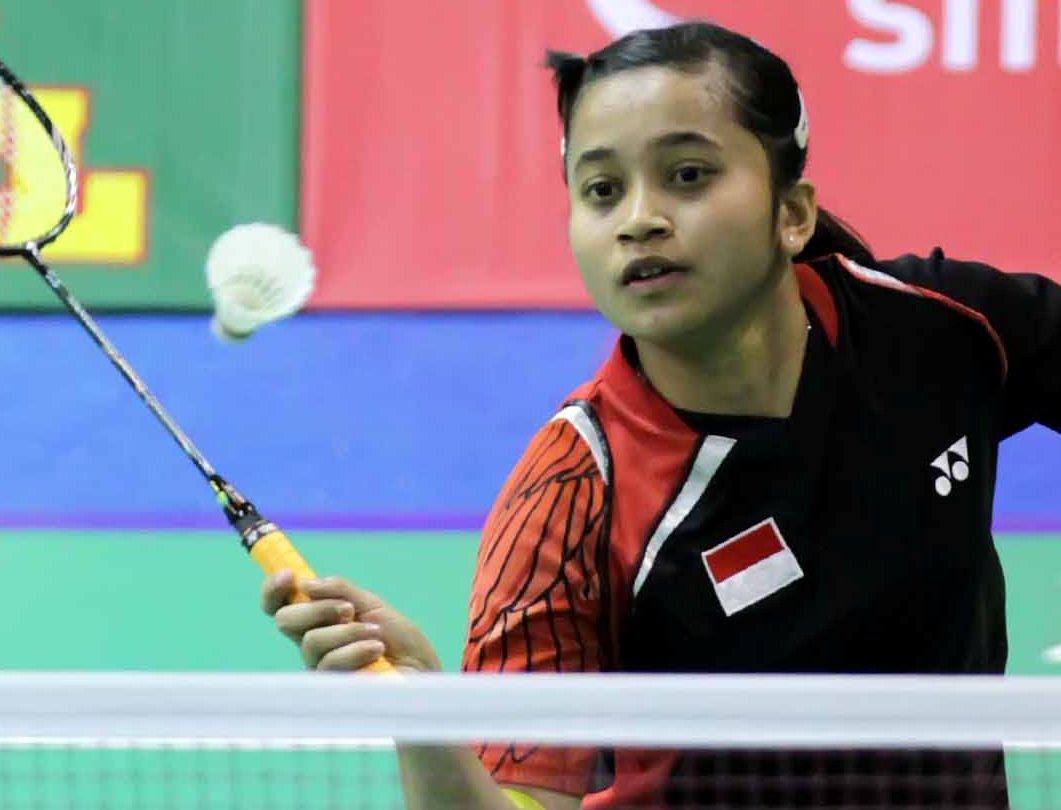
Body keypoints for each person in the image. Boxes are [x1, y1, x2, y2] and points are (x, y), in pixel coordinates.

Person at [260, 20, 1060, 810]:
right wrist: (421, 716)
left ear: (790, 213)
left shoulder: (939, 330)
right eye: (601, 190)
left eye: (686, 175)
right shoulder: (575, 496)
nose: (639, 218)